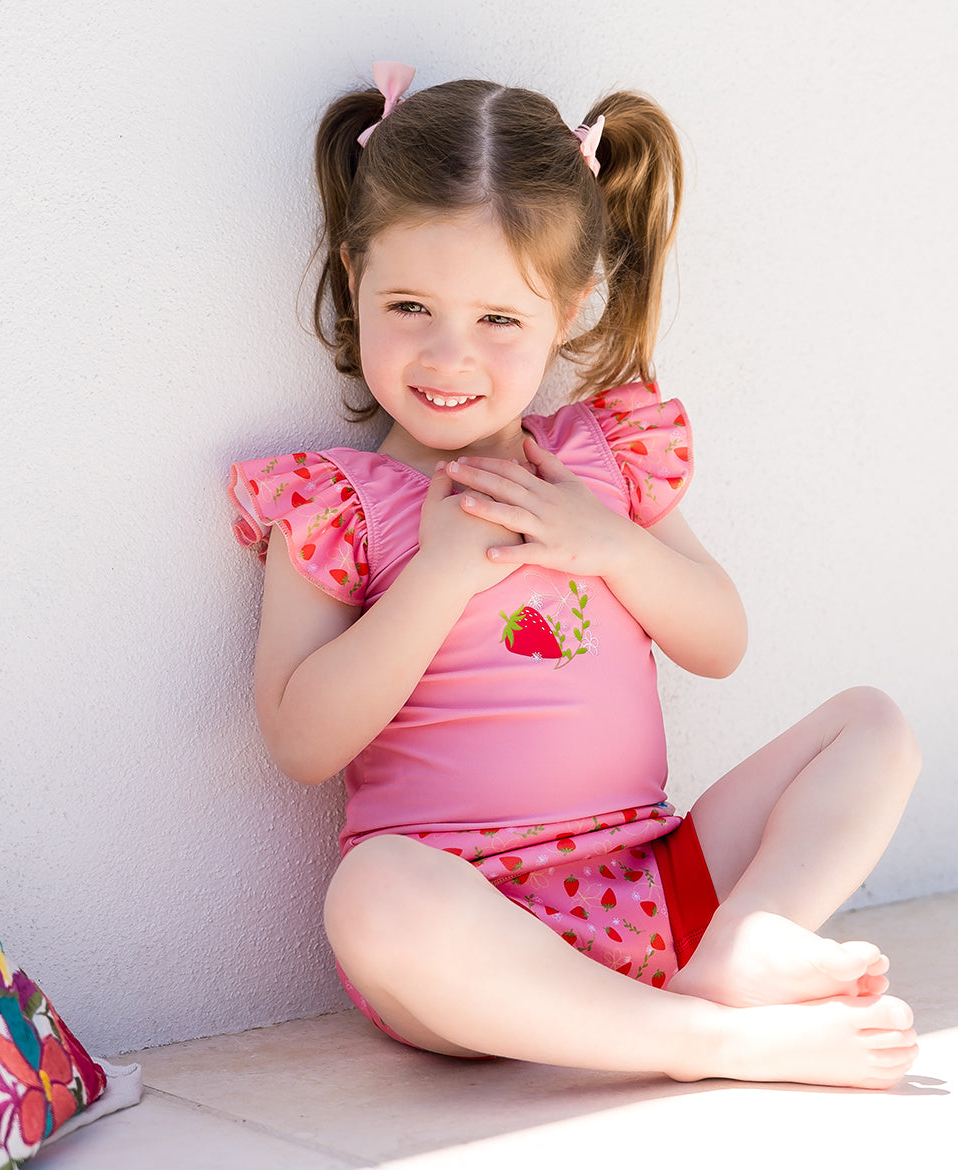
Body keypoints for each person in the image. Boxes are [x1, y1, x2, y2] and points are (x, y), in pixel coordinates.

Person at [228, 63, 922, 1089]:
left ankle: (742, 943)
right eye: (410, 305)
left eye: (499, 320)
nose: (448, 355)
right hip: (470, 931)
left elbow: (719, 642)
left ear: (571, 305)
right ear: (353, 276)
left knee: (873, 725)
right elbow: (300, 740)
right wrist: (434, 581)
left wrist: (610, 546)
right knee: (367, 893)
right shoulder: (339, 503)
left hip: (653, 880)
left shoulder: (601, 458)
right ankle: (708, 1042)